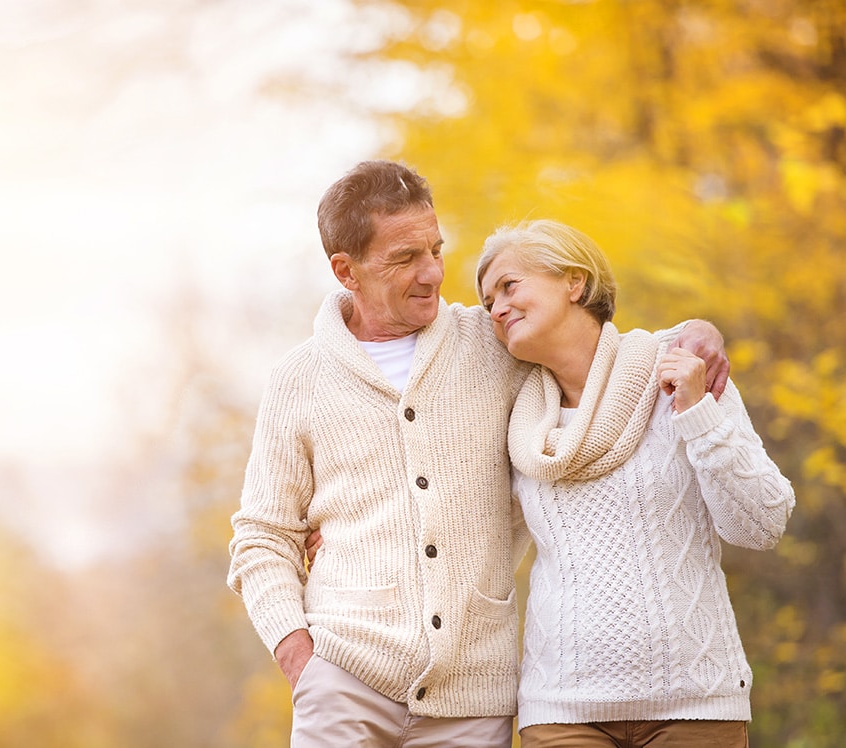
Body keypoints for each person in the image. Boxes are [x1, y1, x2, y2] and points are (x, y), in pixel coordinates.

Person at [226, 160, 729, 747]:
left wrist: (697, 331)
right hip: (342, 681)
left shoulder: (493, 343)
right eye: (404, 258)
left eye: (435, 249)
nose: (432, 273)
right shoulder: (300, 378)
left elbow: (601, 354)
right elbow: (262, 535)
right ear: (346, 270)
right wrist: (298, 655)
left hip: (472, 698)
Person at [475, 219, 794, 748]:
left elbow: (762, 524)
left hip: (695, 706)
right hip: (561, 712)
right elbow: (470, 532)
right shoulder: (518, 424)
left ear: (574, 282)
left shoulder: (681, 373)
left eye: (510, 286)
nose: (497, 308)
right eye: (488, 303)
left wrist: (697, 414)